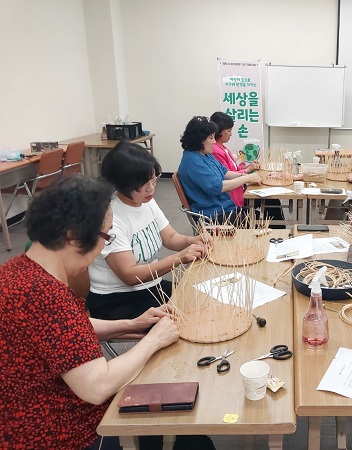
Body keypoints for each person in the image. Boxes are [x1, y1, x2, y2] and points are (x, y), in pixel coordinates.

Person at [0, 176, 182, 448]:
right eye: (106, 236)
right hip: (58, 432)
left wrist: (132, 324)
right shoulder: (45, 294)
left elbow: (66, 330)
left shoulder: (18, 270)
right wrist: (154, 340)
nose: (104, 247)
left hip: (21, 418)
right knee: (182, 432)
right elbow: (97, 387)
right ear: (74, 235)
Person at [87, 141, 211, 321]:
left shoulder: (146, 201)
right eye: (143, 184)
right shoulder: (111, 217)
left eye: (153, 179)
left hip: (151, 285)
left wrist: (191, 241)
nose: (151, 188)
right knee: (185, 320)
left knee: (203, 299)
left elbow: (170, 237)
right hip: (117, 299)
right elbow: (130, 275)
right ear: (122, 184)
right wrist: (179, 258)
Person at [178, 115, 262, 223]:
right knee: (261, 220)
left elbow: (225, 172)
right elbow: (217, 187)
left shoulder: (205, 154)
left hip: (224, 208)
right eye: (211, 138)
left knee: (262, 215)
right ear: (199, 139)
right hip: (213, 215)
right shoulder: (192, 161)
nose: (214, 141)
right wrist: (246, 178)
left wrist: (246, 176)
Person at [210, 111, 260, 207]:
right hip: (232, 199)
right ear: (219, 131)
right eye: (229, 131)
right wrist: (247, 171)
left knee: (272, 201)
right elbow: (226, 176)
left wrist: (249, 167)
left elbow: (234, 170)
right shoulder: (215, 151)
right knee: (270, 202)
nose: (231, 134)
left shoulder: (223, 148)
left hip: (238, 192)